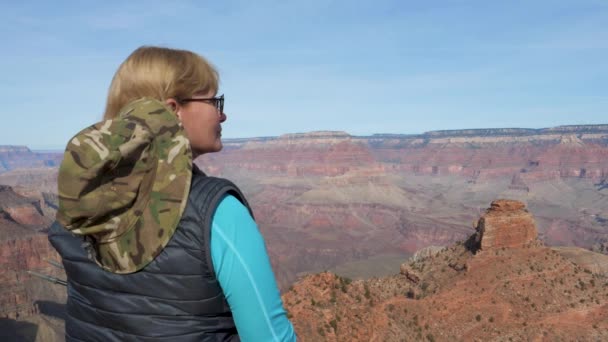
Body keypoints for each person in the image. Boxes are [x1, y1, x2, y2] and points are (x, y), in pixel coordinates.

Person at [48, 46, 297, 341]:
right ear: (172, 110)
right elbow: (269, 337)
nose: (223, 114)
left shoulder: (78, 204)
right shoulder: (217, 212)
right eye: (214, 101)